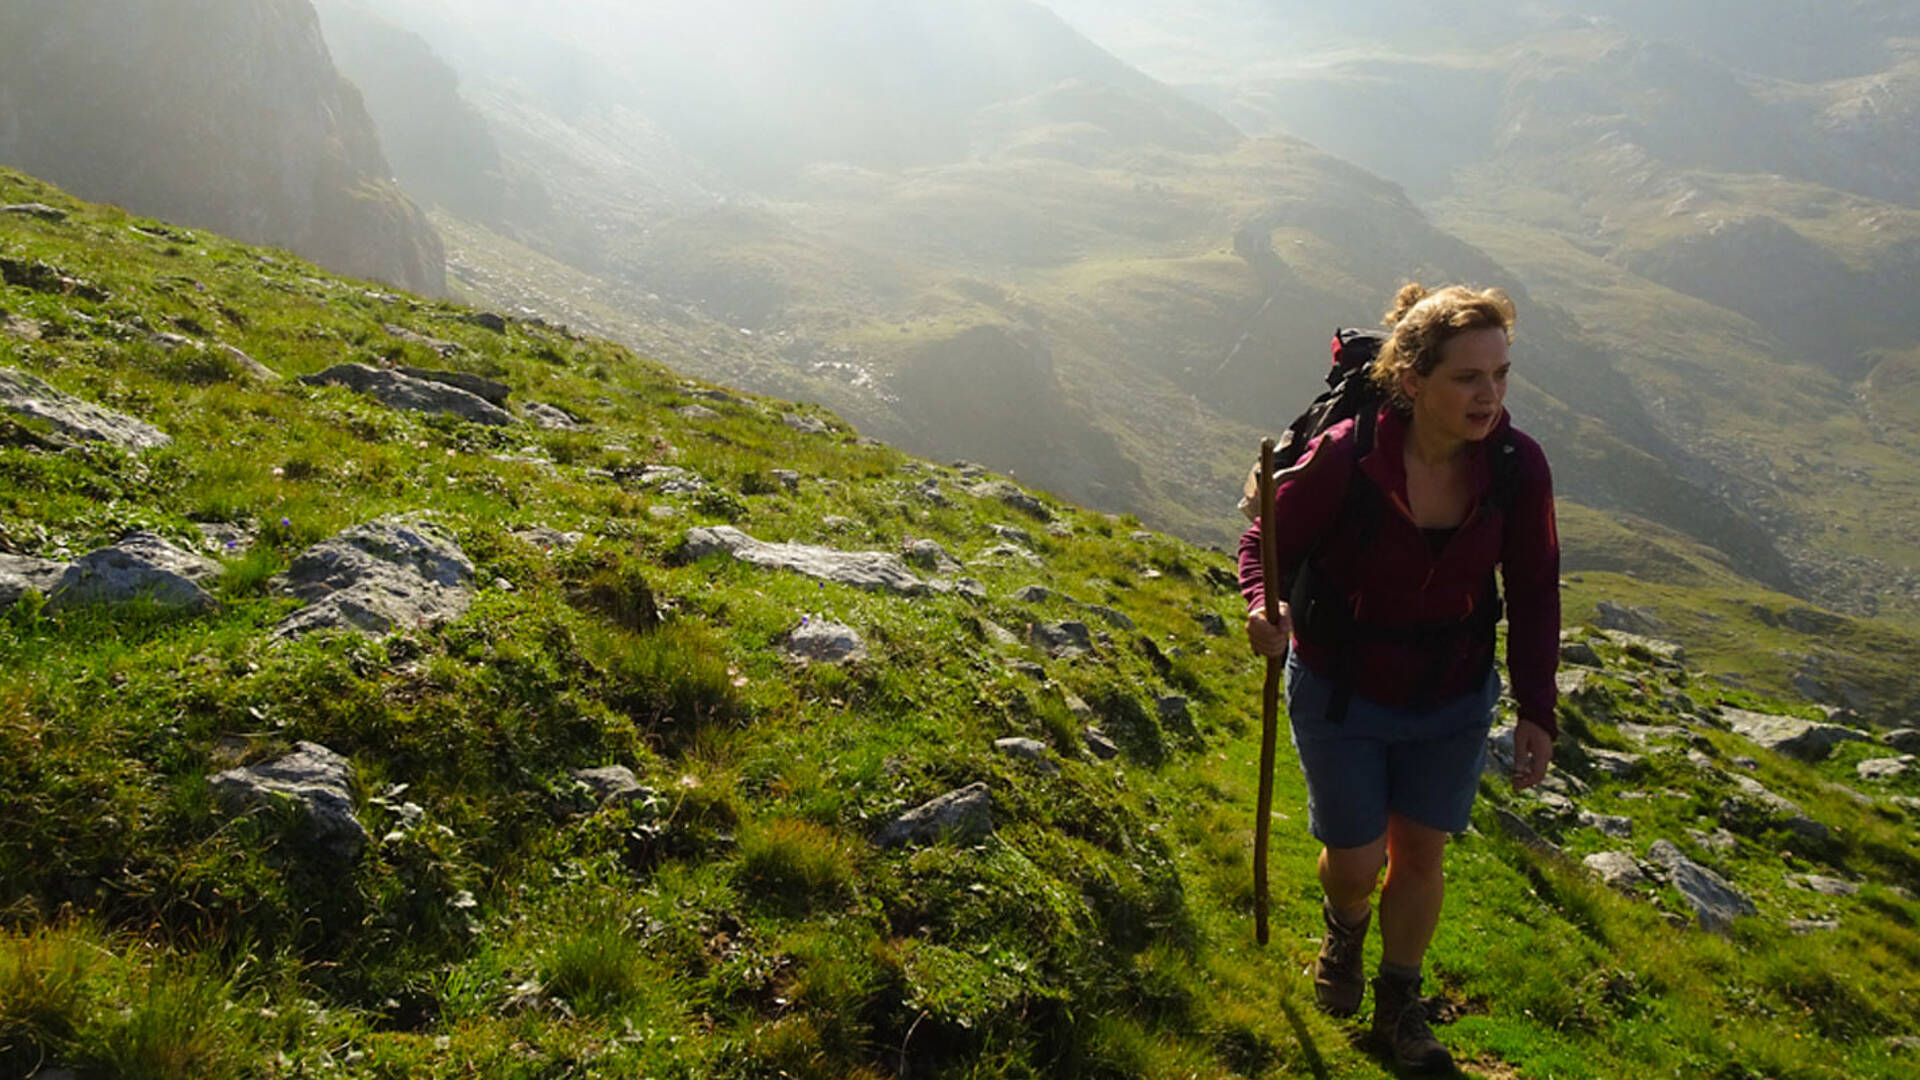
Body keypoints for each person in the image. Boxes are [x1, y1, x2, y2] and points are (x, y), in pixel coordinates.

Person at [1239, 283, 1559, 1072]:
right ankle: (1345, 928)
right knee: (1355, 864)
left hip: (1451, 694)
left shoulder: (1518, 467)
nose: (1490, 396)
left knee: (1422, 854)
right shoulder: (1347, 454)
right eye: (1467, 378)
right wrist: (1263, 606)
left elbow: (1537, 585)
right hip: (1341, 688)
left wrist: (1536, 710)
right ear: (1413, 381)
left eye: (1501, 376)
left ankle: (1400, 1002)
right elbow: (1266, 538)